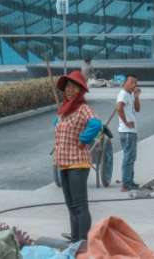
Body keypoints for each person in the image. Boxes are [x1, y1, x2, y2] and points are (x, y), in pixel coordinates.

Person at [53, 70, 102, 243]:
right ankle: (74, 241)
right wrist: (58, 123)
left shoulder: (83, 108)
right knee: (71, 206)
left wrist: (84, 139)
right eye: (67, 87)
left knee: (80, 205)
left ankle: (83, 242)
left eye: (74, 87)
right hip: (63, 163)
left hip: (78, 164)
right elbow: (59, 126)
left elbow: (96, 124)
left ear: (80, 90)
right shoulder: (64, 110)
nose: (70, 90)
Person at [115, 74, 141, 191]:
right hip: (127, 131)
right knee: (128, 157)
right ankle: (126, 184)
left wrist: (136, 96)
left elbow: (137, 109)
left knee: (131, 157)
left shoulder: (130, 94)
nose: (133, 85)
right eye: (131, 82)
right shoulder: (123, 94)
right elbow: (119, 108)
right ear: (125, 82)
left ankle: (129, 181)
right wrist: (126, 122)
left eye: (135, 83)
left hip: (131, 131)